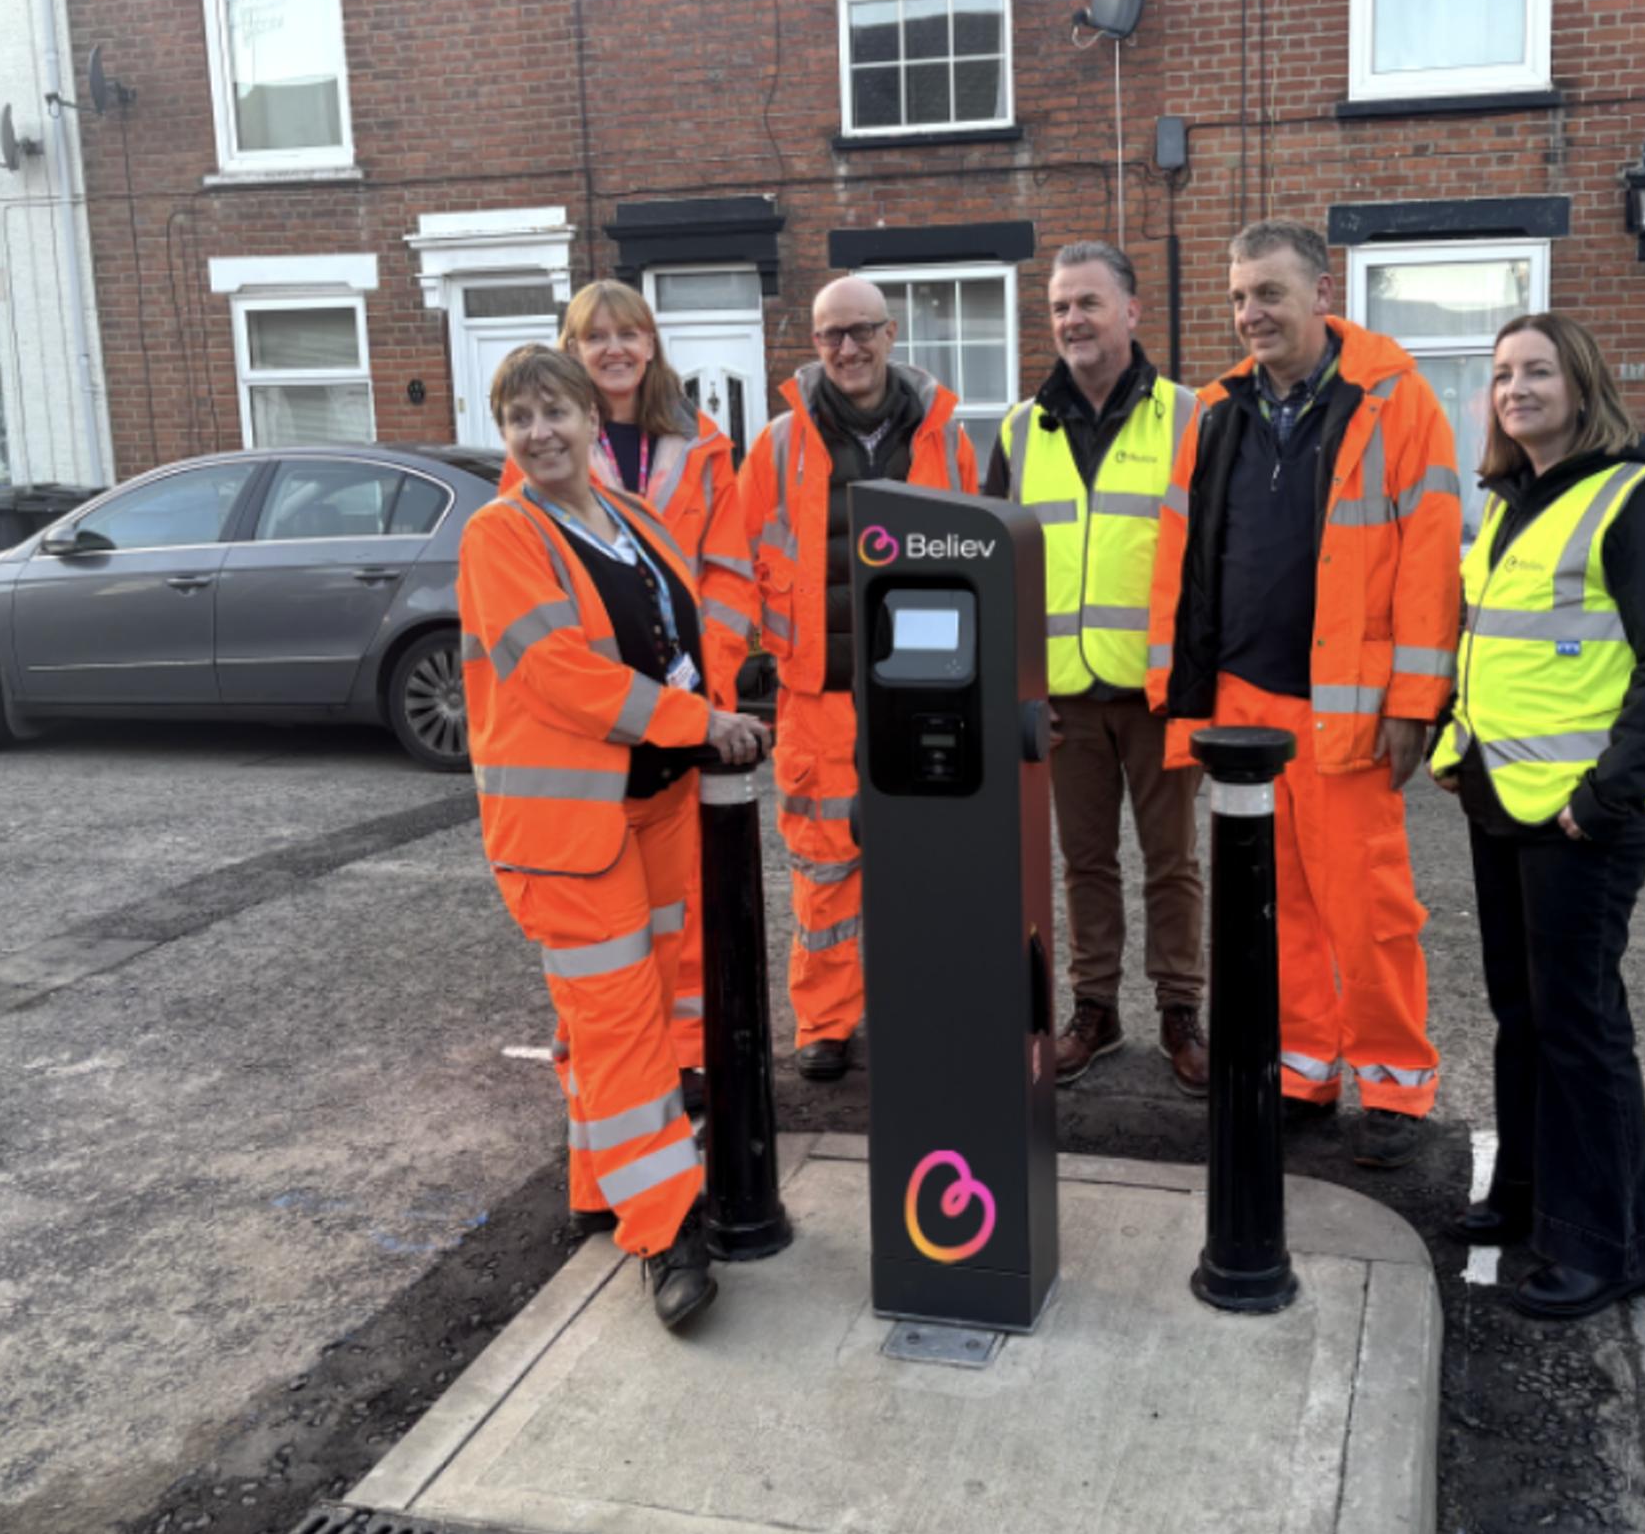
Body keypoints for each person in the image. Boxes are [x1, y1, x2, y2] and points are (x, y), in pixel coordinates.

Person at [458, 344, 770, 1329]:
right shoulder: (500, 535)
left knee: (622, 1019)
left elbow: (681, 635)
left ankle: (600, 1189)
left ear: (596, 420)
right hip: (568, 831)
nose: (540, 432)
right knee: (625, 1029)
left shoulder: (629, 519)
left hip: (653, 809)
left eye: (555, 411)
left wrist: (732, 694)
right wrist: (697, 724)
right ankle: (666, 1233)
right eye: (520, 419)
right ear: (505, 436)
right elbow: (557, 672)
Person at [1145, 218, 1460, 1169]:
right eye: (1239, 296)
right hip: (1240, 702)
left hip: (1347, 706)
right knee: (1270, 908)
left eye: (1269, 294)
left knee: (1368, 909)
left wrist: (1414, 702)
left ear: (1323, 295)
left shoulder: (1397, 402)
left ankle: (1396, 1088)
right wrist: (1182, 704)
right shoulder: (1211, 411)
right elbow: (1179, 566)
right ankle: (1301, 1071)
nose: (1251, 314)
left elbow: (1430, 563)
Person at [1429, 312, 1645, 1320]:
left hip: (1581, 818)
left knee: (1579, 1023)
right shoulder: (1508, 502)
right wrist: (1453, 750)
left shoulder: (1634, 499)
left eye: (1536, 371)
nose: (1516, 388)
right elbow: (1487, 646)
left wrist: (1605, 798)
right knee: (1525, 1016)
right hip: (1502, 801)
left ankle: (1603, 1249)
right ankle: (1528, 1195)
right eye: (1502, 374)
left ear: (1581, 388)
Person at [497, 280, 754, 1106]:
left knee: (677, 922)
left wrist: (703, 674)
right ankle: (616, 1094)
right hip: (602, 741)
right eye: (593, 336)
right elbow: (546, 636)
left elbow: (728, 569)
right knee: (604, 963)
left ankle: (680, 1065)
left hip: (683, 717)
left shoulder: (700, 442)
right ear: (571, 355)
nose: (614, 348)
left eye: (628, 332)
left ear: (651, 343)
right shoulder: (538, 457)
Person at [736, 276, 977, 1080]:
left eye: (862, 330)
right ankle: (825, 1023)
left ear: (891, 331)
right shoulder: (775, 446)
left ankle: (926, 1004)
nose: (848, 347)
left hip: (927, 693)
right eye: (831, 334)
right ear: (815, 345)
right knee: (824, 870)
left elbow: (984, 563)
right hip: (820, 698)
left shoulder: (948, 438)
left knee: (928, 862)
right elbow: (736, 570)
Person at [983, 241, 1209, 1094]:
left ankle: (1181, 1011)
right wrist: (1017, 690)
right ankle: (1097, 1010)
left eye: (1088, 303)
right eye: (1059, 308)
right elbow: (995, 568)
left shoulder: (1190, 417)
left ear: (1131, 312)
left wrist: (1197, 678)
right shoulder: (1018, 428)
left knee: (1172, 861)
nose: (1071, 320)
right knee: (1084, 863)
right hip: (1064, 699)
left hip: (1157, 689)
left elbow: (1210, 558)